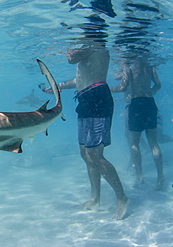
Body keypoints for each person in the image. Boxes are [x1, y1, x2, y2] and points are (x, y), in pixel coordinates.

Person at [40, 41, 129, 220]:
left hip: (97, 98)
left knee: (95, 155)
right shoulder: (88, 51)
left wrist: (68, 42)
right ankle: (95, 198)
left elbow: (71, 58)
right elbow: (80, 79)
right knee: (85, 153)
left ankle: (122, 197)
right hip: (85, 99)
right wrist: (60, 87)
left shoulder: (96, 46)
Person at [110, 57, 164, 190]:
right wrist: (149, 93)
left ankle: (140, 176)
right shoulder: (149, 65)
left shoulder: (128, 65)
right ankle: (160, 176)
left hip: (136, 104)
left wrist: (107, 89)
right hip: (149, 103)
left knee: (134, 143)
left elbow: (123, 87)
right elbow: (158, 85)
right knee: (154, 143)